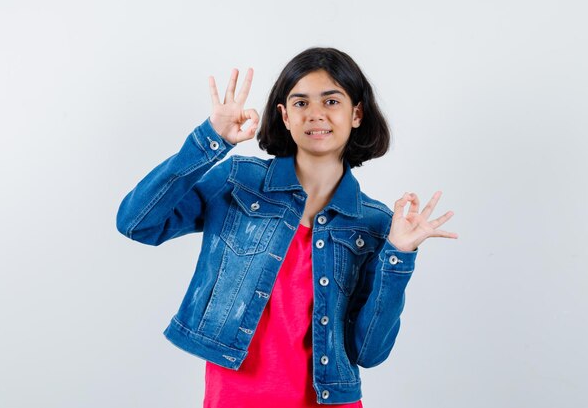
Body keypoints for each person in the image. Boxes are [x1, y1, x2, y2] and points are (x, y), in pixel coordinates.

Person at [116, 47, 458, 407]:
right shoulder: (239, 182)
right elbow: (137, 223)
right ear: (283, 115)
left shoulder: (375, 224)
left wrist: (399, 255)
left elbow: (369, 352)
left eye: (331, 101)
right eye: (300, 103)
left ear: (356, 113)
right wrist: (210, 140)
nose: (315, 114)